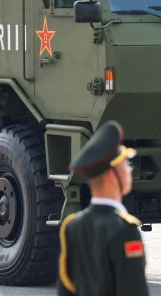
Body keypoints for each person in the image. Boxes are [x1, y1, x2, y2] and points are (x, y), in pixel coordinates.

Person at [57, 120, 148, 296]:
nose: (130, 169)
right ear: (111, 176)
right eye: (126, 164)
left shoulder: (72, 227)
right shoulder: (124, 230)